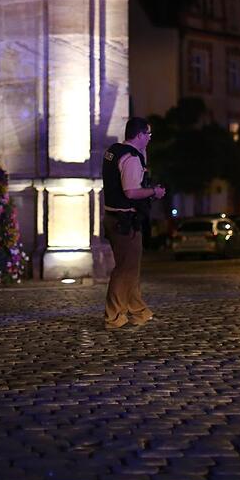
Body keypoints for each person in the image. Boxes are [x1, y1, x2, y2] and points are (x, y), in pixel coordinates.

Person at [102, 117, 164, 330]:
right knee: (125, 270)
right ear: (139, 135)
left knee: (131, 267)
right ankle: (114, 316)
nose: (149, 138)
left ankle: (139, 311)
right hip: (124, 220)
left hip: (113, 217)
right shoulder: (130, 158)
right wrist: (154, 192)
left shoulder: (113, 151)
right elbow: (131, 191)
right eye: (148, 134)